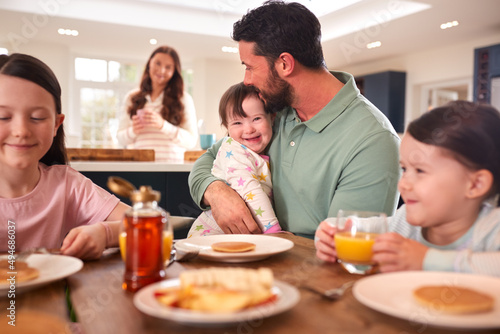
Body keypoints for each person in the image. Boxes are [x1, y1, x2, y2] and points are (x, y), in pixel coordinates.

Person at [188, 1, 400, 238]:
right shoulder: (272, 111)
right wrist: (217, 193)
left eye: (249, 67)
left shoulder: (373, 141)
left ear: (285, 64)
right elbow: (209, 159)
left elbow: (347, 249)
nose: (246, 80)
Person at [315, 101, 500, 276]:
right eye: (404, 169)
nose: (403, 183)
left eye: (420, 170)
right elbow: (348, 227)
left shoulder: (492, 228)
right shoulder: (405, 222)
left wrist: (426, 260)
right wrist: (330, 236)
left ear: (475, 184)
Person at [0, 53, 129, 260]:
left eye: (37, 118)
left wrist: (105, 234)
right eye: (3, 117)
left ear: (56, 125)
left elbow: (155, 223)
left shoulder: (67, 184)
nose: (21, 130)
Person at [187, 82, 282, 237]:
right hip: (212, 235)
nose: (249, 129)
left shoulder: (254, 153)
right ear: (227, 127)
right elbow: (250, 189)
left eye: (256, 119)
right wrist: (274, 232)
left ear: (272, 118)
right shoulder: (233, 151)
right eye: (237, 122)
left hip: (238, 234)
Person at [116, 46, 198, 163]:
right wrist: (134, 130)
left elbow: (191, 141)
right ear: (149, 63)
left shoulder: (183, 99)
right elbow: (121, 138)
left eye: (168, 67)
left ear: (174, 71)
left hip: (172, 168)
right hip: (140, 167)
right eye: (157, 63)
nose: (162, 70)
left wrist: (163, 125)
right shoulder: (132, 97)